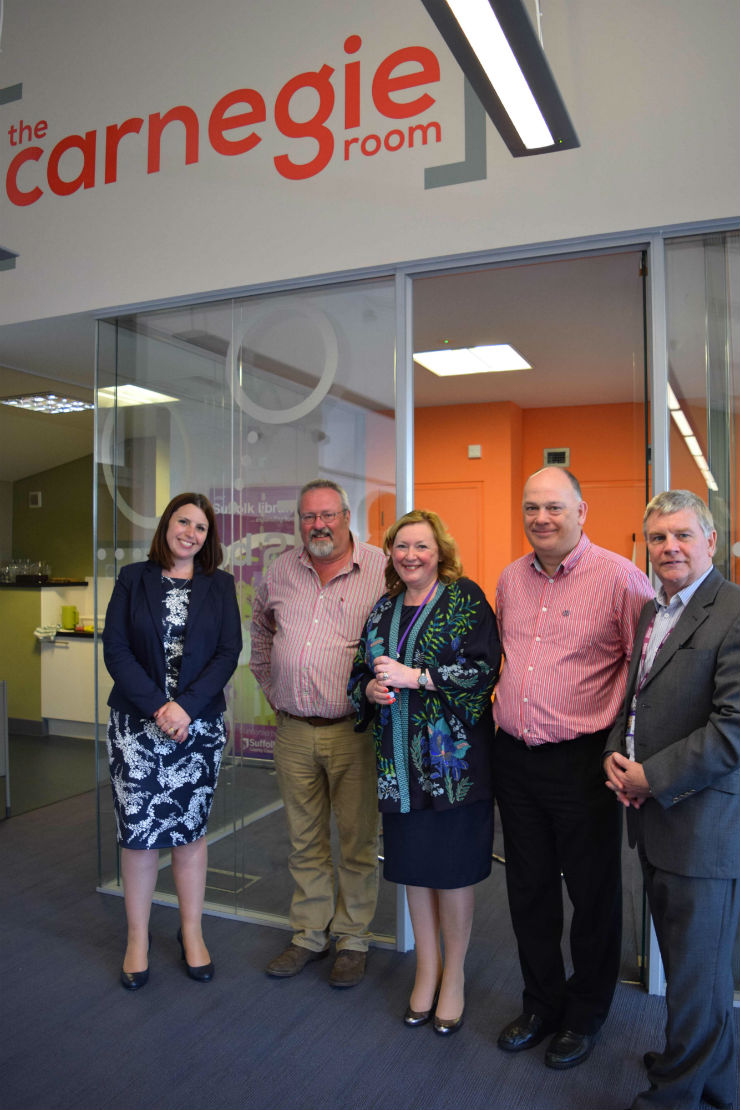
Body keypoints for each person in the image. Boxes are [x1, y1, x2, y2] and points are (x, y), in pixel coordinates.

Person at [493, 466, 654, 1068]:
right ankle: (541, 1003)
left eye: (554, 507)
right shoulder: (511, 577)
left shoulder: (620, 579)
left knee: (592, 895)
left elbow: (647, 672)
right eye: (532, 507)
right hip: (515, 757)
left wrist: (626, 747)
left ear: (581, 511)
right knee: (527, 889)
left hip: (584, 760)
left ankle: (586, 1013)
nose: (541, 517)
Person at [604, 490, 740, 1110]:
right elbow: (638, 697)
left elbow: (732, 730)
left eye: (682, 535)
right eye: (658, 538)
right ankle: (717, 1079)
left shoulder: (732, 610)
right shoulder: (652, 611)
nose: (669, 548)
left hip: (700, 825)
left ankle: (673, 1096)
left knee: (693, 974)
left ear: (710, 540)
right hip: (656, 822)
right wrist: (614, 749)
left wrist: (648, 777)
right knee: (699, 970)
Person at [348, 509, 501, 1034]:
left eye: (421, 546)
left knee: (452, 869)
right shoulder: (383, 607)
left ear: (440, 552)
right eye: (401, 546)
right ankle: (427, 967)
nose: (411, 555)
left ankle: (453, 976)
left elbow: (484, 669)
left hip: (452, 766)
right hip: (398, 766)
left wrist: (418, 677)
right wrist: (368, 689)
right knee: (414, 867)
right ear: (390, 553)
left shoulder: (465, 599)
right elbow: (360, 671)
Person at [103, 492, 242, 990]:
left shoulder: (220, 586)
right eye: (183, 521)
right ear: (166, 525)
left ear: (209, 538)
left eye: (201, 527)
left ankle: (191, 932)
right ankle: (137, 938)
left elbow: (228, 653)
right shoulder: (132, 579)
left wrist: (185, 707)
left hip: (197, 726)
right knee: (138, 838)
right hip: (137, 727)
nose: (190, 532)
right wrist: (158, 708)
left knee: (190, 834)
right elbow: (116, 650)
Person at [250, 478, 386, 987]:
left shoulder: (379, 568)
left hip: (353, 730)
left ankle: (352, 938)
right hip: (293, 730)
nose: (318, 525)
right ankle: (309, 933)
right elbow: (261, 627)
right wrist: (269, 683)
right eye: (309, 517)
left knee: (355, 839)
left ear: (346, 516)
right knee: (304, 839)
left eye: (328, 515)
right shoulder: (282, 569)